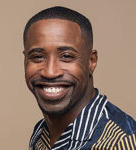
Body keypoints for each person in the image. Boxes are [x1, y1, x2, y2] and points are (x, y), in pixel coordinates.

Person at [23, 6, 136, 150]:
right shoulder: (41, 133)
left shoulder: (123, 143)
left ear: (91, 61)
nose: (50, 72)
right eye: (38, 57)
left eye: (67, 56)